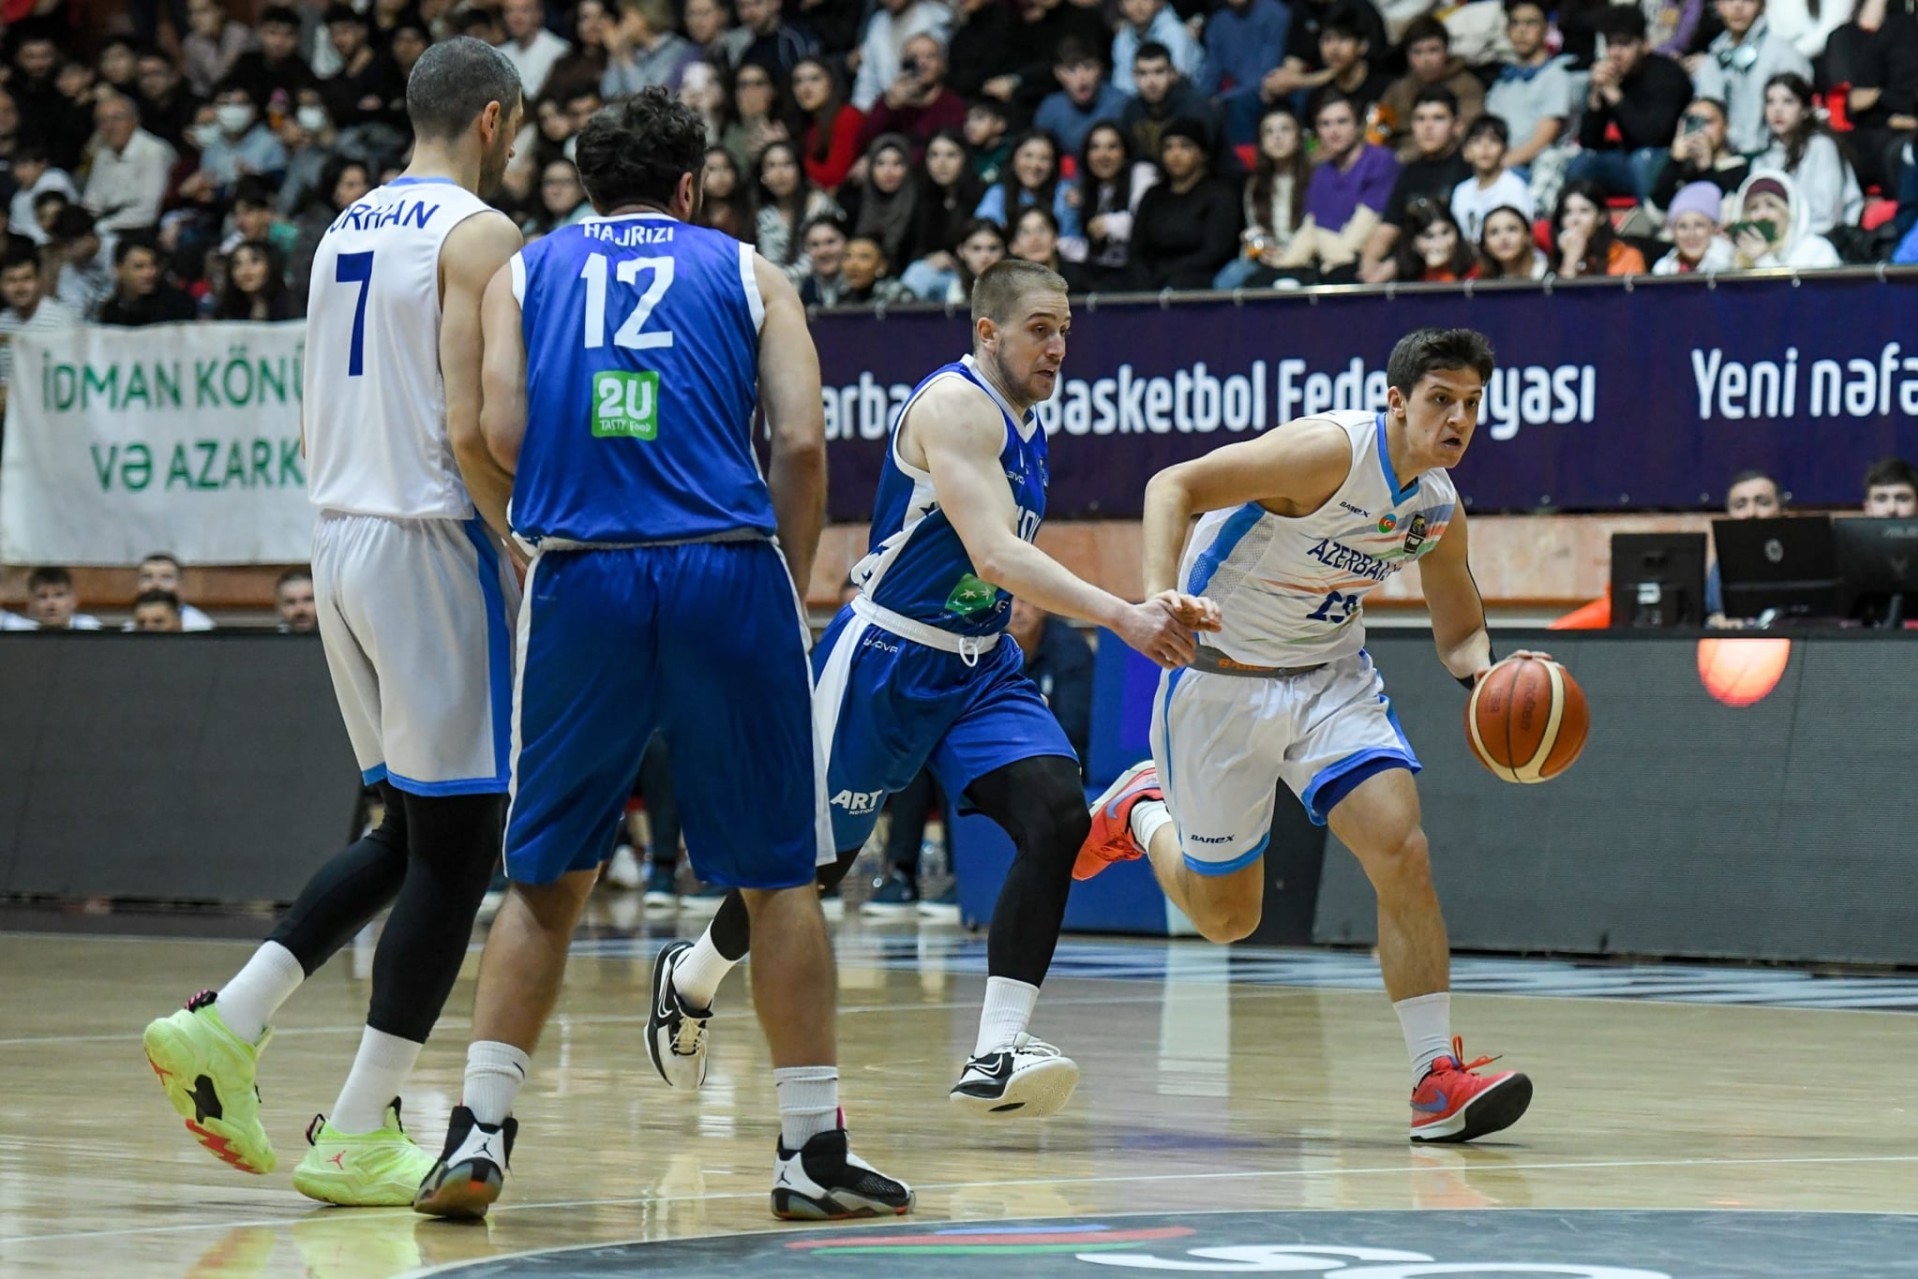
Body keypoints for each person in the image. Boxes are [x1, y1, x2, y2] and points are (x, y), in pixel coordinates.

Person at [411, 86, 912, 1222]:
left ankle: (478, 1128)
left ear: (584, 182)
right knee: (778, 877)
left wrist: (548, 515)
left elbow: (494, 430)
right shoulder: (748, 272)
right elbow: (797, 440)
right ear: (692, 185)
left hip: (583, 573)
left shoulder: (522, 271)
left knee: (546, 873)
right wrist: (780, 578)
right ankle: (806, 1149)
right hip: (724, 570)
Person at [653, 257, 1214, 1126]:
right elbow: (993, 554)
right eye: (1039, 328)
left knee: (1056, 811)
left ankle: (998, 1047)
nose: (1058, 345)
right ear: (986, 332)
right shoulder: (953, 406)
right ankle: (691, 978)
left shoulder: (1026, 423)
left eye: (1065, 329)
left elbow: (994, 575)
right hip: (885, 655)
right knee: (811, 869)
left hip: (978, 663)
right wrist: (1123, 615)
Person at [140, 37, 526, 1209]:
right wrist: (517, 535)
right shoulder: (480, 233)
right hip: (427, 537)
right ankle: (359, 1129)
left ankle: (230, 1022)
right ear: (498, 122)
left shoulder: (340, 227)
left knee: (411, 830)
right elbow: (472, 425)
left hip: (339, 537)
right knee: (461, 849)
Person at [1076, 327, 1537, 1146]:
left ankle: (1435, 1077)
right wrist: (1157, 597)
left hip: (1330, 681)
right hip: (1220, 678)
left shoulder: (1435, 508)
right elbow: (1172, 483)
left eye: (1472, 404)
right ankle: (1145, 807)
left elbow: (1460, 629)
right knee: (1226, 919)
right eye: (1441, 401)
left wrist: (1489, 681)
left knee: (1403, 846)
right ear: (1396, 403)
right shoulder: (1326, 452)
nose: (1459, 418)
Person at [1568, 5, 1693, 204]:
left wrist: (1614, 95)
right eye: (1610, 45)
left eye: (1624, 44)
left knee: (1642, 159)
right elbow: (1590, 142)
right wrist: (1595, 97)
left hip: (1671, 159)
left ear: (1645, 44)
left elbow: (1653, 137)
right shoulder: (1613, 77)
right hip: (1629, 160)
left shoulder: (1667, 74)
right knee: (1582, 162)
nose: (1615, 53)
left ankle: (1653, 223)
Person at [1692, 0, 1813, 156]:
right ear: (1718, 5)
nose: (1737, 6)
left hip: (1775, 158)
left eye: (1748, 0)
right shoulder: (1711, 62)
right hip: (1722, 160)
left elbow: (1801, 119)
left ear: (1763, 5)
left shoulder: (1785, 55)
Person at [1754, 73, 1862, 238]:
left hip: (1823, 240)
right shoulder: (1762, 160)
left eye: (1788, 101)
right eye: (1770, 101)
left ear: (1805, 110)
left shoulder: (1822, 147)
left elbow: (1827, 217)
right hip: (1777, 243)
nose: (1777, 109)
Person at [1215, 105, 1311, 289]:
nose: (1277, 137)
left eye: (1285, 129)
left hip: (1305, 257)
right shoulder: (1255, 184)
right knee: (1228, 278)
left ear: (1298, 137)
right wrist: (1259, 247)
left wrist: (1288, 256)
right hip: (1267, 258)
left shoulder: (1316, 179)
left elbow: (1316, 232)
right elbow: (1255, 229)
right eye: (1269, 132)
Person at [1377, 18, 1485, 165]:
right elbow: (1375, 133)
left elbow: (1468, 132)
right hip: (1398, 163)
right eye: (1417, 52)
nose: (1426, 60)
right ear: (1407, 56)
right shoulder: (1397, 90)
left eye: (1433, 50)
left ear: (1446, 51)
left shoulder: (1467, 86)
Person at [1725, 168, 1839, 268]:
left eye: (1771, 205)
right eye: (1754, 208)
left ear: (1788, 212)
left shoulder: (1816, 250)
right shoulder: (1732, 255)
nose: (1762, 215)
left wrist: (1763, 260)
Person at [1450, 115, 1532, 242]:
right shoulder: (1461, 192)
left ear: (1505, 151)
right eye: (1477, 141)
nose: (1485, 147)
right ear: (1466, 152)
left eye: (1493, 141)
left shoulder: (1515, 188)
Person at [1550, 180, 1647, 277]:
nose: (1575, 220)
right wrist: (1570, 262)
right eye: (1567, 212)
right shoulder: (1556, 258)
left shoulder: (1625, 257)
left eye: (1584, 211)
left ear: (1601, 216)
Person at [1651, 180, 1735, 272]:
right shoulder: (1663, 269)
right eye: (1682, 226)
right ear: (1673, 231)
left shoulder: (1733, 265)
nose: (1691, 234)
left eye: (1699, 225)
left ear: (1713, 228)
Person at [1393, 197, 1479, 280]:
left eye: (1445, 232)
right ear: (1413, 243)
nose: (1441, 243)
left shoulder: (1476, 268)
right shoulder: (1401, 272)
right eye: (1429, 236)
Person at [25, 566, 103, 630]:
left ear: (73, 601)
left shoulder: (90, 629)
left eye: (59, 595)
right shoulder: (22, 636)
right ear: (31, 604)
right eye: (43, 596)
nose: (51, 603)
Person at [275, 568, 318, 632]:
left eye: (308, 600)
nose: (299, 609)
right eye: (291, 602)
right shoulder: (266, 641)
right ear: (279, 608)